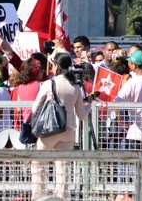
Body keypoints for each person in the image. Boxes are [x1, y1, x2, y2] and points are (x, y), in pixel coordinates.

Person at [31, 53, 91, 200]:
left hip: (49, 130)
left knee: (39, 165)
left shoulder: (49, 84)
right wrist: (89, 103)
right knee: (63, 169)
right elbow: (82, 115)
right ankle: (62, 198)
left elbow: (34, 108)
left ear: (56, 66)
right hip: (68, 130)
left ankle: (38, 196)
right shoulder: (75, 86)